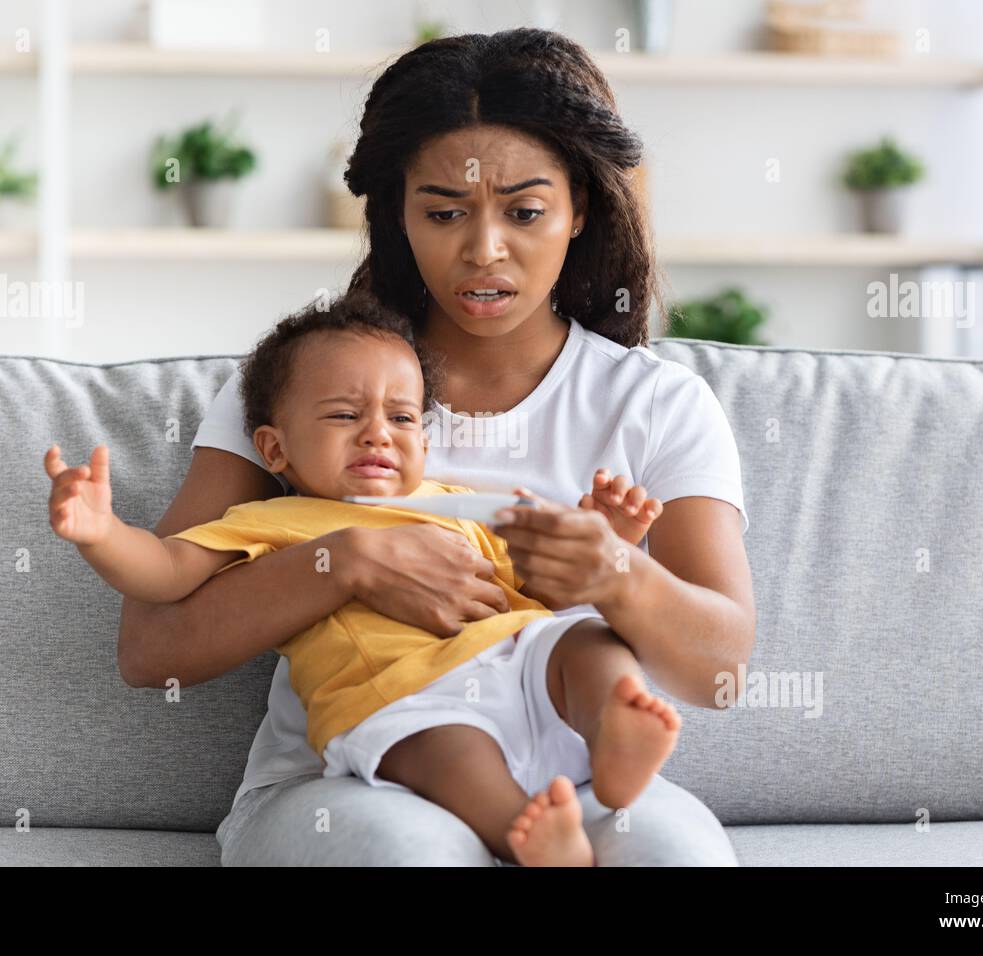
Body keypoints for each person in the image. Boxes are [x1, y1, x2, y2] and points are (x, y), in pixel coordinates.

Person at [118, 27, 755, 866]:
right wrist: (343, 562)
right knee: (416, 855)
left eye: (525, 212)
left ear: (580, 208)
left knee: (675, 853)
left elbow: (720, 674)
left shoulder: (657, 403)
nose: (483, 250)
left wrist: (618, 575)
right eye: (444, 212)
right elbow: (150, 649)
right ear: (397, 213)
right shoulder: (304, 389)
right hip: (346, 780)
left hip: (576, 776)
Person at [47, 293, 680, 866]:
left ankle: (612, 738)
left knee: (588, 642)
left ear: (425, 445)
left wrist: (603, 540)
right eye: (345, 414)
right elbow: (164, 573)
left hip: (516, 666)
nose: (378, 431)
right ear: (274, 451)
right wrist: (103, 533)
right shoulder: (272, 520)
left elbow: (544, 591)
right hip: (403, 697)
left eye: (403, 419)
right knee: (448, 751)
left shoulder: (458, 504)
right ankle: (529, 833)